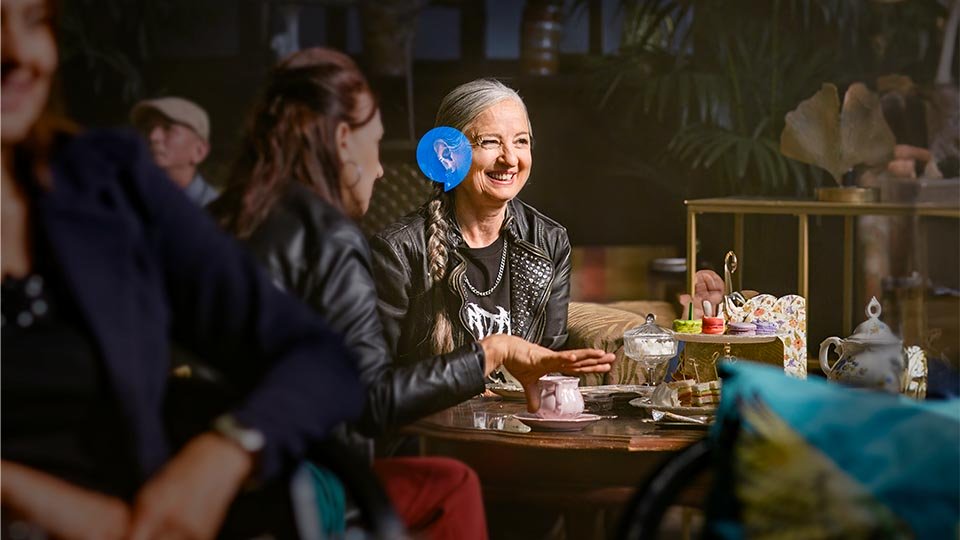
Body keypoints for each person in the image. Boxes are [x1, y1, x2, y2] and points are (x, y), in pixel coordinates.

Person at [210, 48, 614, 538]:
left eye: (523, 141)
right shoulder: (352, 244)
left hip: (264, 471)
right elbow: (372, 398)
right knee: (456, 484)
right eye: (376, 147)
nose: (381, 172)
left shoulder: (244, 219)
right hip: (325, 476)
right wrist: (493, 352)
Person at [0, 1, 364, 538]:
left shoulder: (107, 183)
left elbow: (322, 358)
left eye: (33, 21)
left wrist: (223, 454)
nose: (18, 54)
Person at [370, 78, 573, 386]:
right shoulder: (397, 252)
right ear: (447, 155)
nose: (510, 159)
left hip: (523, 424)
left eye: (521, 141)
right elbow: (375, 383)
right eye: (490, 142)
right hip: (432, 427)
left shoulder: (550, 243)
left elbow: (548, 360)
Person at [131, 96, 219, 205]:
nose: (153, 137)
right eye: (148, 128)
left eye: (168, 128)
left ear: (199, 151)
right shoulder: (128, 200)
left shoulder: (216, 213)